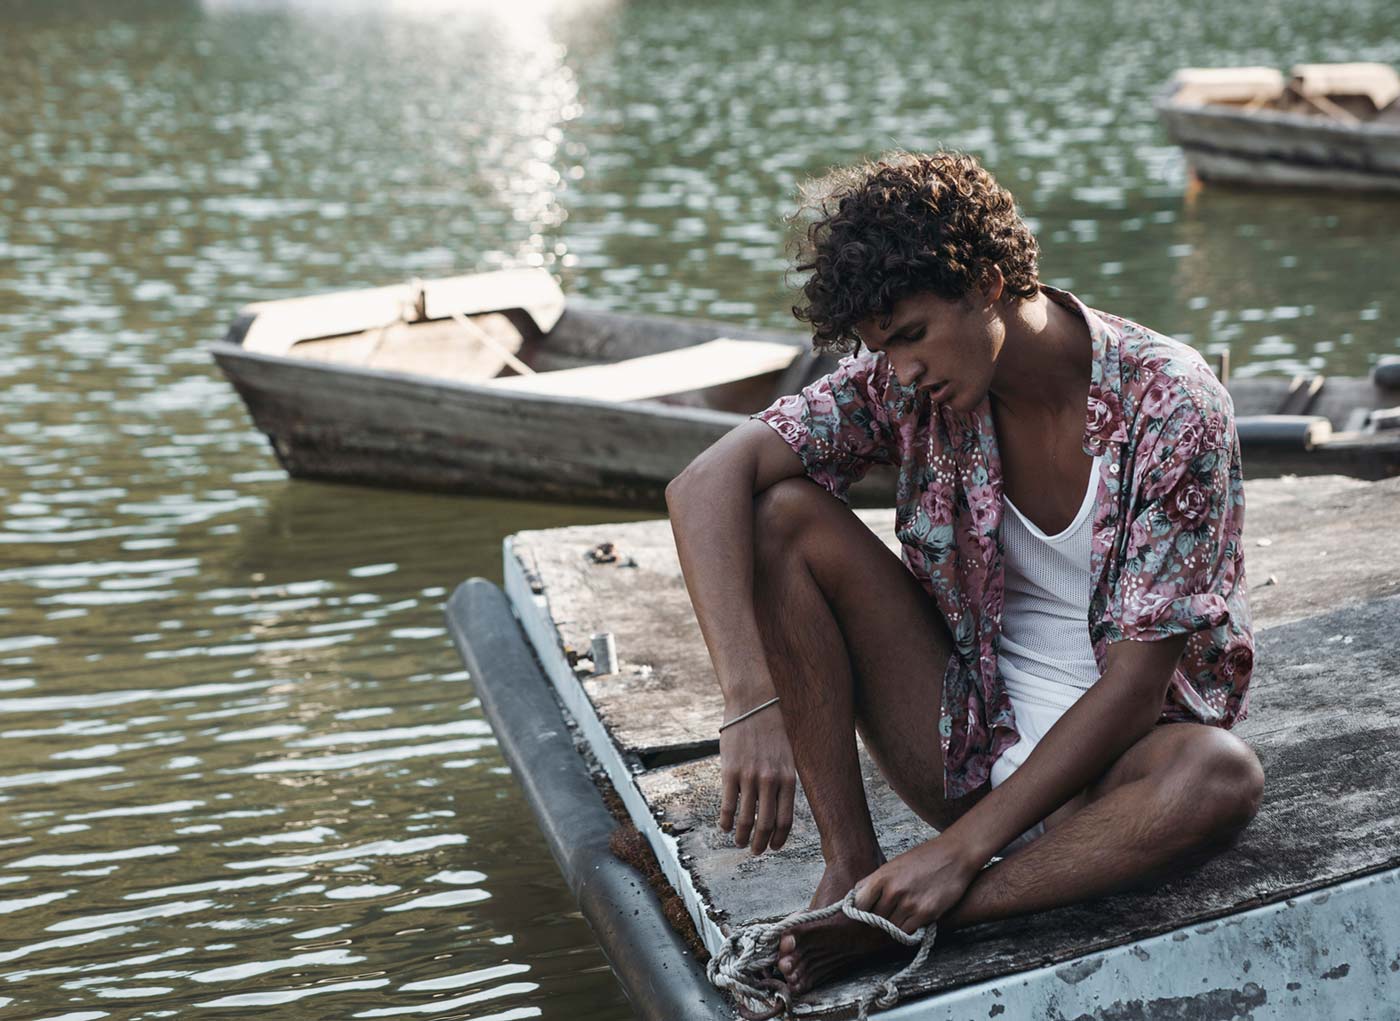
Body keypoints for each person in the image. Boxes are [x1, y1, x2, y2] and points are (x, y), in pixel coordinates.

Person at [665, 151, 1262, 997]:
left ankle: (905, 915)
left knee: (1220, 777)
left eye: (911, 335)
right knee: (778, 518)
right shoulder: (908, 386)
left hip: (1111, 773)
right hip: (964, 735)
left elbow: (1135, 689)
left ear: (987, 282)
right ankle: (853, 866)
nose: (901, 368)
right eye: (882, 348)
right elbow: (703, 483)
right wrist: (748, 699)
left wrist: (956, 854)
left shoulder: (1169, 404)